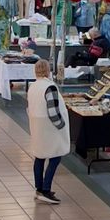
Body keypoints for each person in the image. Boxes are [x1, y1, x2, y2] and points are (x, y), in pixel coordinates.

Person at [27, 59, 70, 205]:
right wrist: (61, 125)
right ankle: (46, 189)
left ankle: (39, 189)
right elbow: (53, 111)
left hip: (37, 126)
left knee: (40, 156)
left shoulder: (33, 86)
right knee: (55, 156)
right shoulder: (49, 87)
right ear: (48, 70)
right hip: (49, 128)